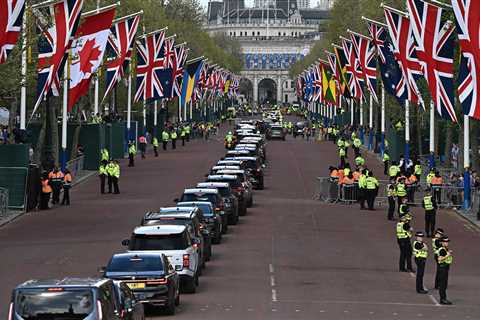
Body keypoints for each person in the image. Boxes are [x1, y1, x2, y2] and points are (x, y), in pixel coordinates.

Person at [437, 237, 453, 305]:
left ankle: (444, 298)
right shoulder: (442, 250)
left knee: (444, 283)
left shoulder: (445, 249)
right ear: (442, 243)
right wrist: (448, 255)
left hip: (445, 267)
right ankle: (442, 299)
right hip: (443, 267)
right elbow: (440, 259)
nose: (447, 243)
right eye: (445, 242)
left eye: (447, 242)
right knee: (443, 284)